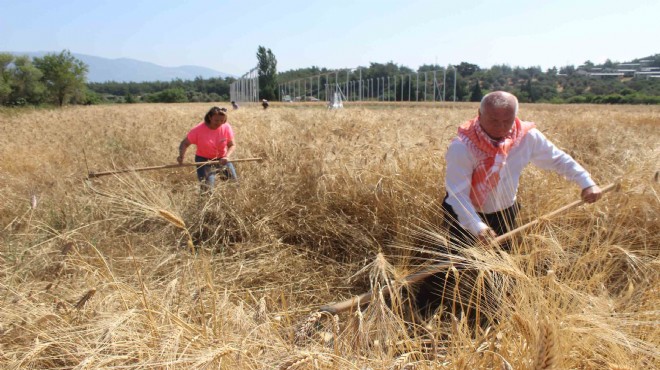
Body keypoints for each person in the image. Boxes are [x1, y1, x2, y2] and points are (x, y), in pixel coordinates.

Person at [415, 91, 603, 319]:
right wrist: (478, 228)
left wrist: (586, 182)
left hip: (504, 212)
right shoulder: (462, 147)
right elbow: (457, 195)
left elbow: (557, 159)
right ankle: (426, 310)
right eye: (494, 120)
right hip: (464, 213)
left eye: (507, 120)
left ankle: (489, 314)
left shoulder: (526, 137)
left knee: (500, 265)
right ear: (479, 115)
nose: (500, 127)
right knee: (453, 263)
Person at [177, 106, 237, 191]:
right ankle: (205, 203)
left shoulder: (226, 127)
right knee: (207, 189)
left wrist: (226, 156)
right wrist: (181, 156)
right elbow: (185, 143)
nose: (219, 123)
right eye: (216, 120)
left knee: (233, 185)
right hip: (204, 160)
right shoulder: (198, 130)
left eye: (222, 121)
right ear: (209, 117)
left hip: (222, 159)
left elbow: (232, 144)